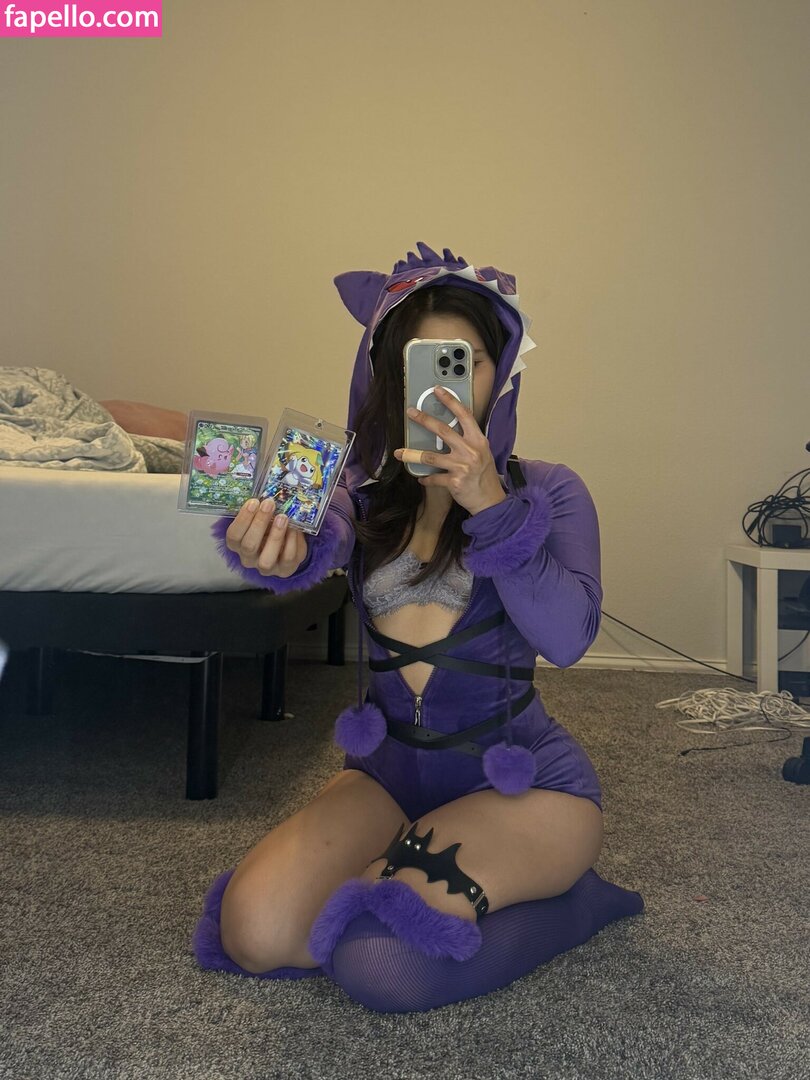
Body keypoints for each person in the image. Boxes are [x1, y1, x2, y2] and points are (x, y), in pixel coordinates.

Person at [192, 242, 644, 1013]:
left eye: (465, 364)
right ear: (386, 377)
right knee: (257, 933)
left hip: (525, 785)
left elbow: (569, 637)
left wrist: (490, 504)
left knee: (380, 956)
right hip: (387, 775)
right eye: (420, 365)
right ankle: (432, 868)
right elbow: (318, 533)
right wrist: (277, 546)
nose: (442, 391)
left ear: (503, 375)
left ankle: (578, 902)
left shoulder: (549, 491)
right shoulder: (360, 496)